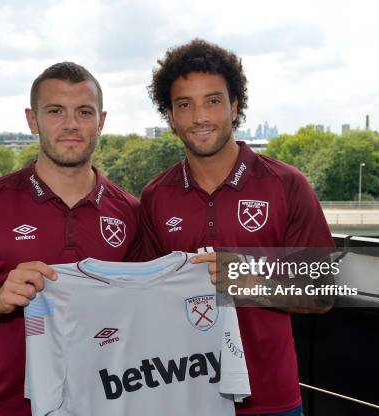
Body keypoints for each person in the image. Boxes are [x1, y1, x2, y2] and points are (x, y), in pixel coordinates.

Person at [0, 62, 140, 416]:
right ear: (32, 120)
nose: (71, 124)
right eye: (55, 111)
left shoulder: (131, 212)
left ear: (101, 121)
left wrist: (222, 275)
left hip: (113, 405)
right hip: (10, 407)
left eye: (84, 112)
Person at [140, 39, 334, 416]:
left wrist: (245, 279)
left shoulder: (286, 185)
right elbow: (144, 297)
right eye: (184, 105)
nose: (199, 117)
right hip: (179, 396)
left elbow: (322, 292)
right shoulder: (155, 196)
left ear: (234, 106)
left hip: (270, 399)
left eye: (212, 101)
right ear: (170, 116)